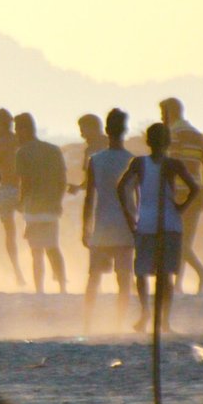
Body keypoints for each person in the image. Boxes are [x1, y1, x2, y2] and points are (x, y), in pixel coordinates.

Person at [117, 123, 199, 333]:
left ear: (148, 141)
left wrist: (129, 216)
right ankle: (163, 320)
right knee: (165, 275)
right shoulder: (172, 164)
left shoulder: (141, 163)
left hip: (148, 223)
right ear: (168, 142)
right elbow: (194, 188)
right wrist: (181, 207)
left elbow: (121, 188)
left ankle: (146, 313)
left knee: (143, 272)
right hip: (168, 223)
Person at [82, 108, 135, 329]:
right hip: (126, 227)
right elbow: (138, 197)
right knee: (124, 279)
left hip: (102, 226)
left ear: (106, 130)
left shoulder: (96, 160)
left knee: (94, 278)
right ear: (125, 130)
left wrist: (85, 228)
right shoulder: (132, 160)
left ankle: (87, 323)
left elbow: (89, 197)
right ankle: (118, 323)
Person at [160, 97, 203, 293]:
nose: (161, 118)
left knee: (176, 240)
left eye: (162, 113)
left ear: (169, 113)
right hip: (196, 192)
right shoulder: (196, 134)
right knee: (185, 241)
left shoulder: (173, 134)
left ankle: (201, 273)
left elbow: (171, 165)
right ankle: (179, 284)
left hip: (178, 193)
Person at [13, 112, 67, 294]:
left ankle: (40, 289)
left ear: (24, 129)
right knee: (53, 248)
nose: (16, 134)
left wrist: (20, 203)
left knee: (36, 252)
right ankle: (62, 286)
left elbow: (25, 182)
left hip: (33, 208)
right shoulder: (53, 150)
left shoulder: (22, 152)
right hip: (51, 207)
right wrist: (58, 201)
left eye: (17, 129)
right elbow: (62, 180)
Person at [0, 108, 27, 287]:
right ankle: (22, 270)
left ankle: (18, 272)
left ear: (3, 125)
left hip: (6, 190)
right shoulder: (20, 141)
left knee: (10, 233)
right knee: (30, 227)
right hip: (22, 189)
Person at [67, 113, 106, 194]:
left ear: (92, 129)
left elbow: (92, 180)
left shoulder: (92, 150)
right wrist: (78, 188)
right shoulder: (112, 145)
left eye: (82, 130)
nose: (81, 134)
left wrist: (78, 188)